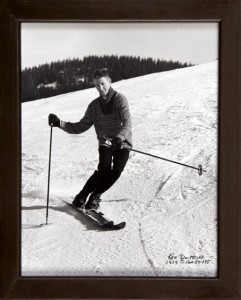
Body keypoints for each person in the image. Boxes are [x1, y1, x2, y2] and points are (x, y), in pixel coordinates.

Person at [48, 69, 132, 210]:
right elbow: (80, 126)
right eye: (97, 85)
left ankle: (95, 196)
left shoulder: (120, 100)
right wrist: (59, 123)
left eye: (103, 84)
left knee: (117, 170)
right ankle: (82, 196)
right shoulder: (94, 106)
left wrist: (119, 137)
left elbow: (128, 122)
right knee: (104, 168)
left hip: (122, 142)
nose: (100, 88)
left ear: (109, 82)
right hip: (105, 141)